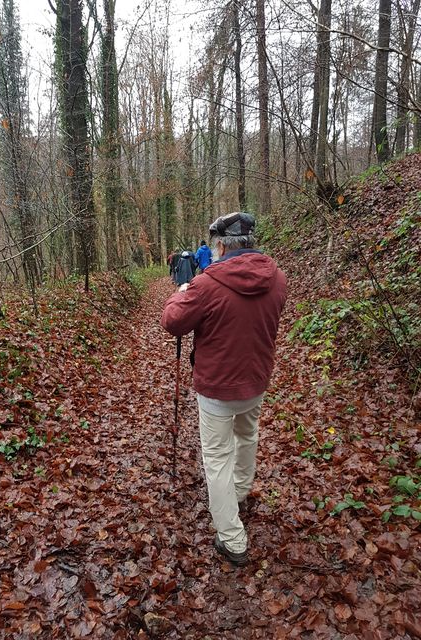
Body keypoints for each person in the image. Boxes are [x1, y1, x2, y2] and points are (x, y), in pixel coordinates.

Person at [161, 212, 286, 566]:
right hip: (257, 380)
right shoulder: (278, 279)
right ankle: (241, 492)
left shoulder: (206, 285)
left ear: (219, 245)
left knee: (216, 458)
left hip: (217, 388)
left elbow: (172, 322)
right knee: (246, 437)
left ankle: (232, 538)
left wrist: (180, 294)